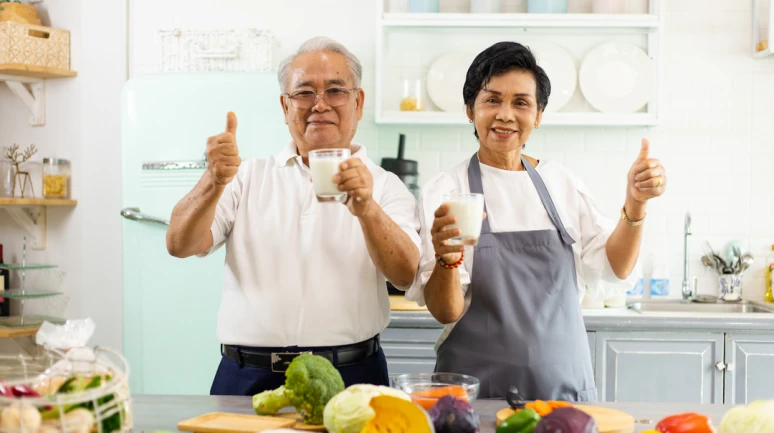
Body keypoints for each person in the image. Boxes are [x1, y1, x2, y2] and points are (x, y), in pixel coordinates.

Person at [406, 41, 667, 401]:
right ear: (470, 109)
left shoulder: (561, 183)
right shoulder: (448, 190)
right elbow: (444, 310)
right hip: (475, 393)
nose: (505, 114)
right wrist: (446, 257)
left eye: (521, 103)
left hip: (562, 391)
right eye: (492, 100)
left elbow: (616, 267)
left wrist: (636, 204)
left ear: (539, 114)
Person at [166, 36, 421, 396]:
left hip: (352, 376)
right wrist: (212, 180)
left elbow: (407, 274)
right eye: (304, 93)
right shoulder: (246, 177)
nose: (320, 105)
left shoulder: (386, 186)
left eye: (335, 90)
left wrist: (367, 209)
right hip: (247, 377)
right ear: (285, 107)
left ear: (358, 102)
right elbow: (179, 244)